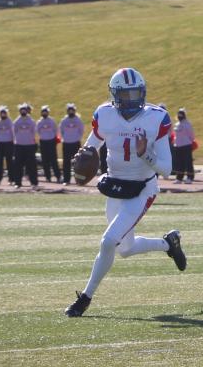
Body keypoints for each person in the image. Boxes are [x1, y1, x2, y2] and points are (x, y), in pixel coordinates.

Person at [65, 67, 186, 317]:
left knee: (108, 241)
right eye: (126, 94)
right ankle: (168, 244)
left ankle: (85, 298)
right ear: (115, 95)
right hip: (116, 186)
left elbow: (166, 169)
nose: (131, 100)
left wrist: (145, 154)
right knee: (124, 249)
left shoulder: (156, 118)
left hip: (142, 188)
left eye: (135, 94)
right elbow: (90, 147)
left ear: (142, 93)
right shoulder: (105, 114)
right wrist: (82, 160)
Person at [12, 102, 39, 188]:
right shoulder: (16, 122)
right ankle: (17, 183)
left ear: (27, 111)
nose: (23, 111)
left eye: (24, 110)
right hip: (19, 145)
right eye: (21, 110)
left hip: (29, 145)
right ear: (20, 111)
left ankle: (34, 183)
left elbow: (33, 132)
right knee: (18, 165)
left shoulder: (31, 121)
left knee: (31, 165)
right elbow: (14, 132)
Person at [59, 103, 84, 184]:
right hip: (66, 144)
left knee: (78, 163)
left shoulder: (78, 120)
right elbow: (61, 131)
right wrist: (66, 138)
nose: (71, 112)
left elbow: (81, 131)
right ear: (67, 111)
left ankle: (79, 180)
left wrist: (76, 138)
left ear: (74, 111)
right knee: (66, 163)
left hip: (76, 143)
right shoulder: (64, 121)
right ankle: (66, 180)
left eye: (72, 110)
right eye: (69, 110)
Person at [36, 105, 61, 183]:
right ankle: (48, 177)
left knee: (53, 160)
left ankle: (58, 177)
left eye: (45, 112)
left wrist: (51, 138)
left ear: (48, 113)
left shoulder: (51, 121)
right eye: (43, 112)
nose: (44, 113)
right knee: (45, 161)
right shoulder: (39, 122)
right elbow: (38, 131)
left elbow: (55, 130)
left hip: (51, 142)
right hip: (43, 142)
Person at [171, 108, 196, 182]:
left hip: (186, 145)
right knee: (179, 162)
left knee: (188, 162)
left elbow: (191, 135)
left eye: (181, 114)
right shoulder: (177, 124)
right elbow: (175, 135)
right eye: (179, 114)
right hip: (178, 146)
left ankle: (190, 177)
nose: (180, 116)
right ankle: (179, 178)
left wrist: (190, 141)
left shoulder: (187, 124)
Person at [0, 106, 13, 185]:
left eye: (4, 113)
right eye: (1, 113)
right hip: (0, 143)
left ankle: (11, 179)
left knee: (9, 162)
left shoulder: (10, 122)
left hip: (9, 143)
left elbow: (13, 132)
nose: (3, 115)